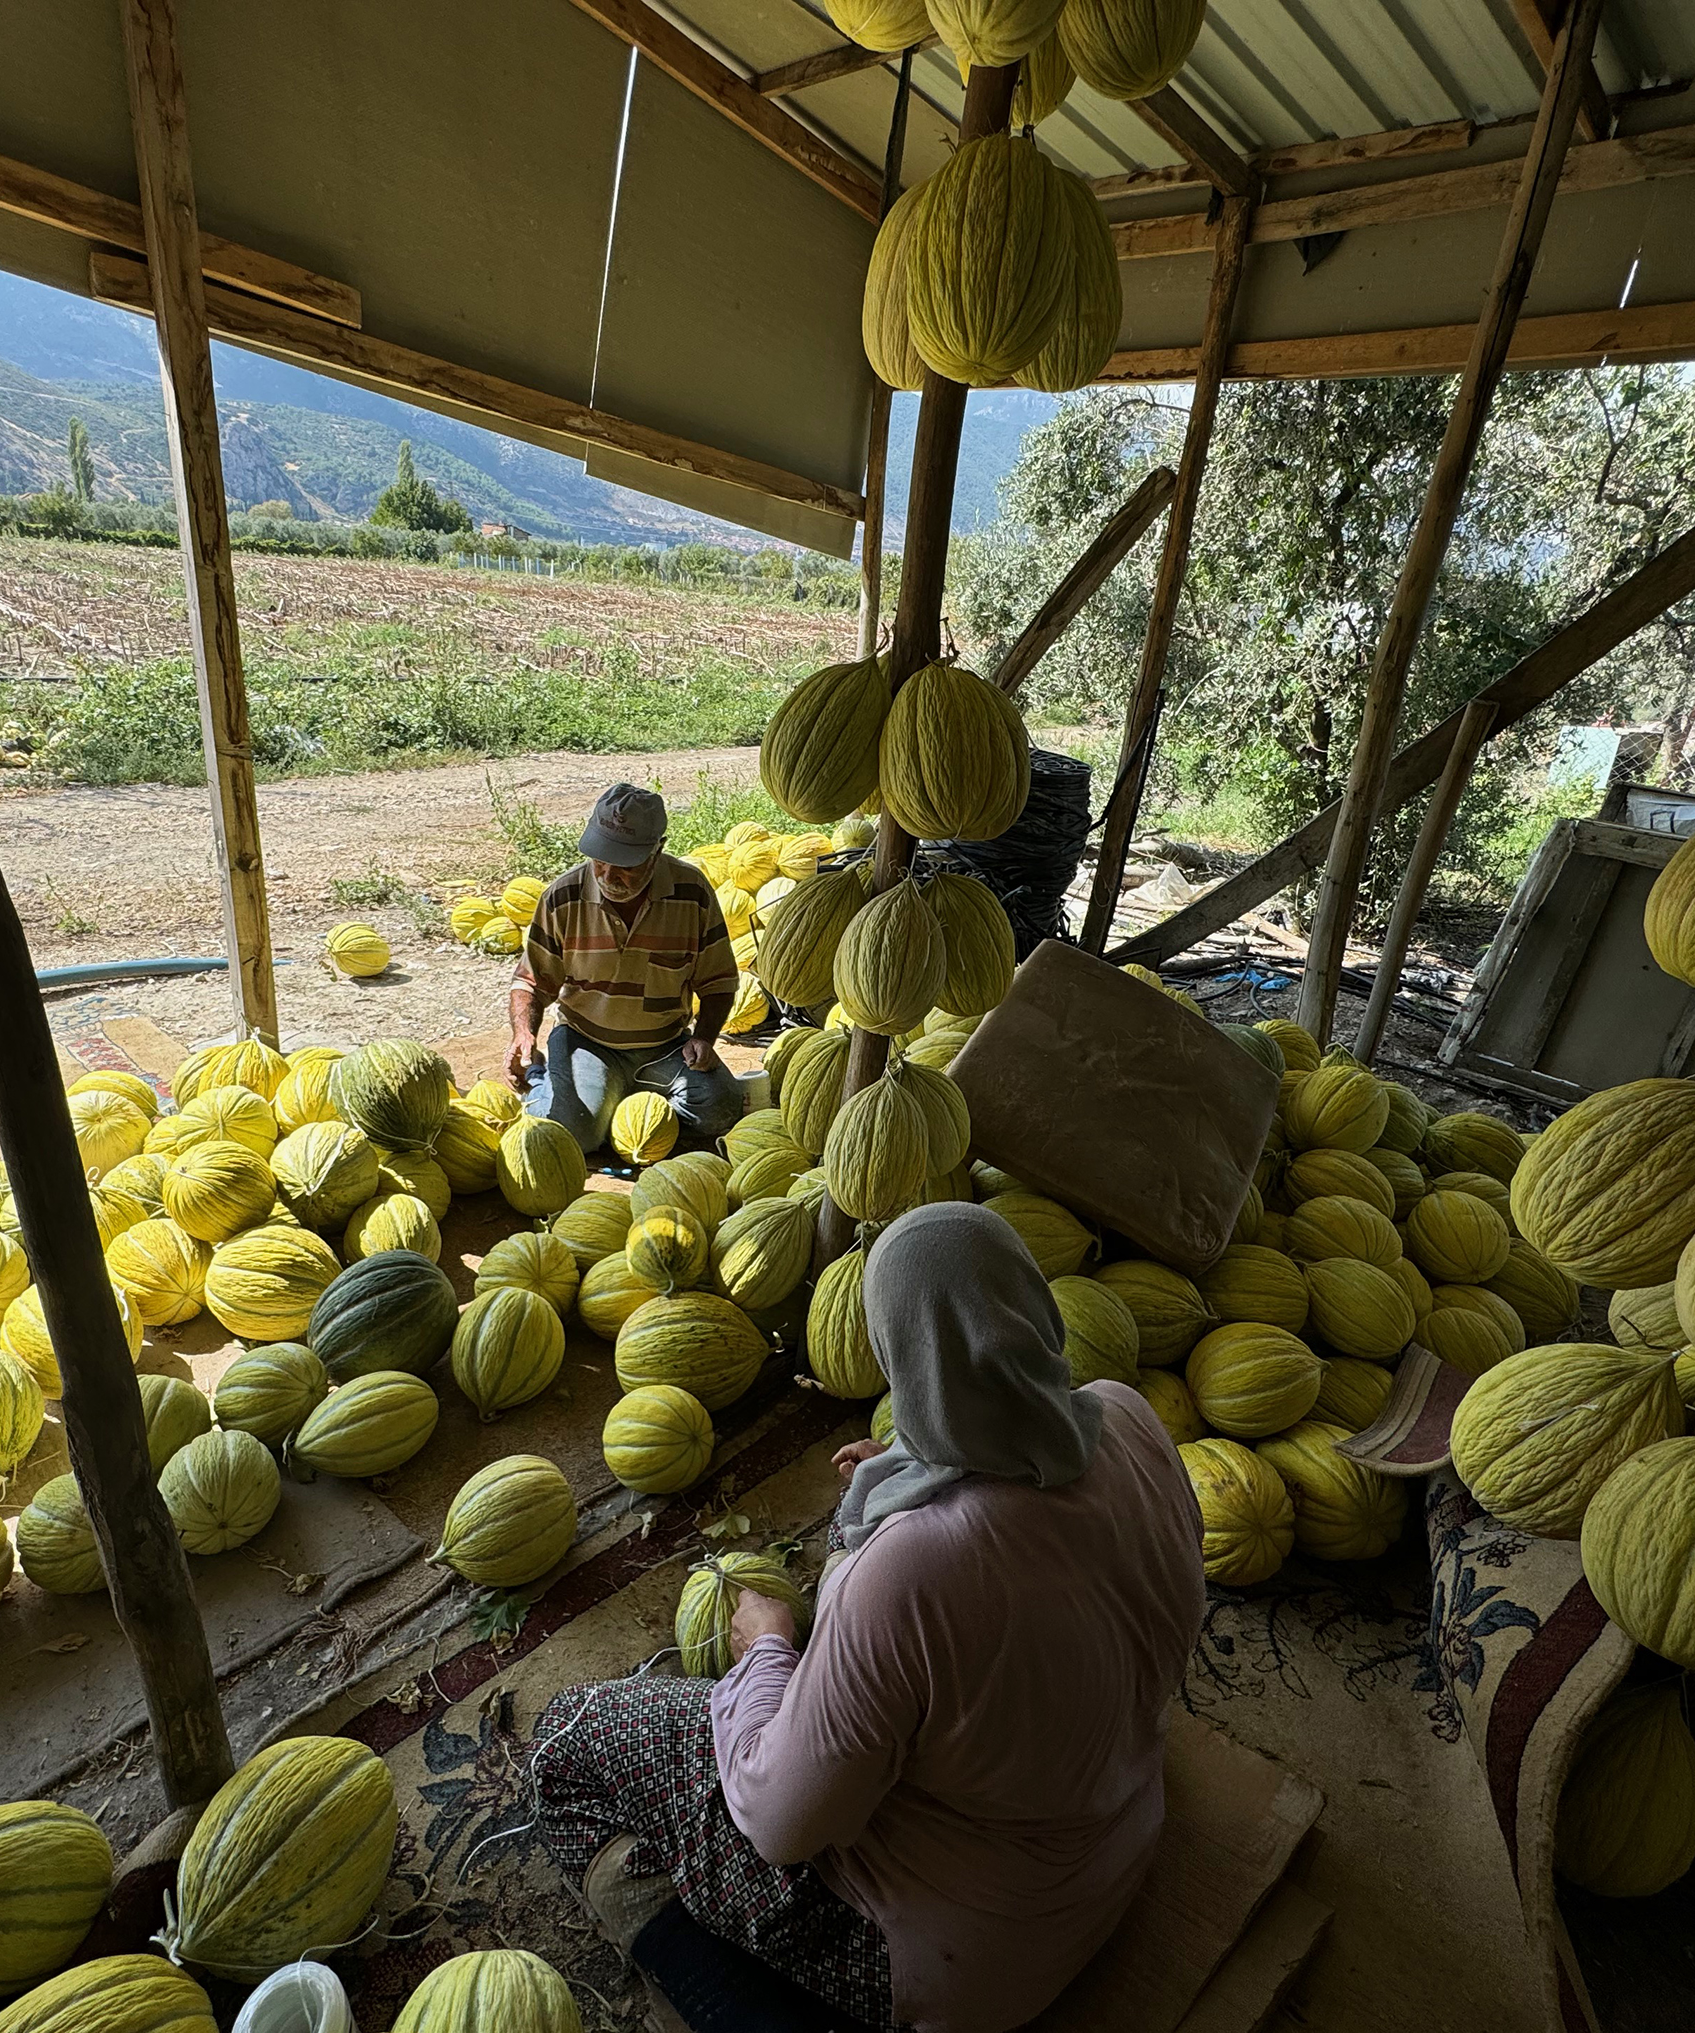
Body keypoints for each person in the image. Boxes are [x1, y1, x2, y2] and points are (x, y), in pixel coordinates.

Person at [531, 1201, 1207, 2033]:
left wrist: (765, 1652)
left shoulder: (905, 1573)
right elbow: (1036, 1520)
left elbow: (782, 1824)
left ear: (896, 1357)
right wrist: (916, 1465)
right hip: (1122, 1829)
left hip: (976, 1964)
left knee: (574, 1738)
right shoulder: (1128, 1418)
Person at [509, 782, 749, 1155]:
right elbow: (530, 982)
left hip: (665, 1046)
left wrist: (703, 1037)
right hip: (584, 1043)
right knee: (572, 1135)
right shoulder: (562, 897)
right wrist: (524, 1035)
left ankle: (616, 1102)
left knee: (720, 1109)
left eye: (625, 866)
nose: (607, 875)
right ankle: (544, 1078)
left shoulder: (693, 894)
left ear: (658, 850)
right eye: (600, 859)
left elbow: (718, 981)